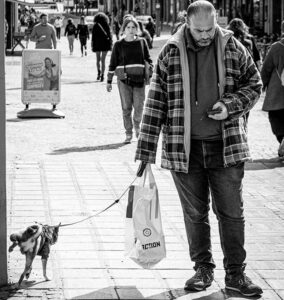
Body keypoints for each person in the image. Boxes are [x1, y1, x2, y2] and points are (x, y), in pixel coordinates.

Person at [135, 1, 263, 296]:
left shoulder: (233, 46)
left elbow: (254, 84)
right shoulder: (170, 51)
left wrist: (230, 106)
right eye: (199, 30)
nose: (205, 35)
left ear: (216, 21)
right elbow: (156, 102)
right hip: (184, 149)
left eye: (210, 28)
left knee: (231, 213)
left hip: (226, 146)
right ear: (187, 22)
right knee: (195, 214)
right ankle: (203, 269)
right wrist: (145, 151)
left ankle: (236, 275)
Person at [106, 16, 152, 144]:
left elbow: (148, 59)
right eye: (128, 27)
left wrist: (150, 69)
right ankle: (128, 132)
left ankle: (137, 125)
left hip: (139, 80)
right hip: (123, 80)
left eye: (133, 27)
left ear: (137, 29)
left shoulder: (142, 42)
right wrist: (109, 80)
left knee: (139, 107)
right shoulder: (118, 45)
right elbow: (112, 63)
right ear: (124, 29)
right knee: (126, 107)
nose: (131, 30)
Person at [261, 34, 284, 157]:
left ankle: (282, 140)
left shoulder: (277, 47)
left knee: (276, 120)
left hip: (278, 93)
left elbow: (266, 68)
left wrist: (262, 85)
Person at [91, 12, 112, 81]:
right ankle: (103, 75)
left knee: (98, 60)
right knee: (103, 60)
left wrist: (92, 45)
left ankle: (98, 72)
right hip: (105, 44)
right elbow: (109, 35)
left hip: (97, 44)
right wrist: (111, 44)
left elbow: (93, 37)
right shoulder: (106, 25)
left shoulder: (95, 25)